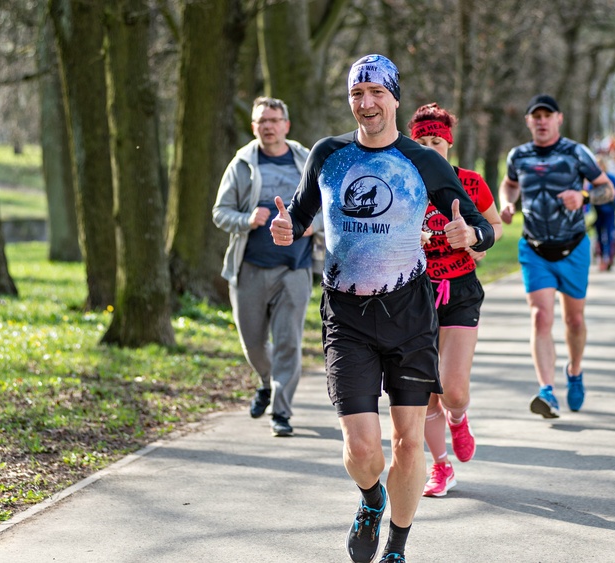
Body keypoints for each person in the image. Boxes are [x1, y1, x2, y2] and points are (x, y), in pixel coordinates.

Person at [269, 55, 495, 563]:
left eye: (375, 92)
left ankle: (397, 542)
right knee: (363, 449)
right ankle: (371, 498)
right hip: (346, 316)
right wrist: (288, 230)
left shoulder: (423, 160)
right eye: (357, 94)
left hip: (409, 315)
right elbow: (303, 216)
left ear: (394, 97)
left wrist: (469, 233)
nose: (366, 103)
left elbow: (484, 226)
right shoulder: (328, 154)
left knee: (409, 444)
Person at [498, 94, 615, 420]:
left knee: (574, 320)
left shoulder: (576, 153)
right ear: (528, 121)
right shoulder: (518, 156)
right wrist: (507, 203)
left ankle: (574, 371)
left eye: (547, 115)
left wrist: (584, 195)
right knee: (540, 317)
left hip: (573, 247)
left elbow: (608, 190)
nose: (541, 120)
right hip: (534, 248)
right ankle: (547, 391)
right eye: (535, 115)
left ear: (558, 119)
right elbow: (508, 185)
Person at [406, 103, 503, 498]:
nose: (430, 148)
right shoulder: (402, 185)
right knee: (424, 389)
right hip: (413, 292)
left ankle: (459, 418)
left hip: (460, 289)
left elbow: (493, 225)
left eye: (436, 142)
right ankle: (440, 466)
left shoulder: (470, 183)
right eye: (422, 141)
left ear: (448, 144)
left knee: (453, 389)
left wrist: (476, 242)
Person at [212, 97, 322, 438]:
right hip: (250, 268)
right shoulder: (242, 164)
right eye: (262, 121)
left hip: (295, 267)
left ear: (286, 125)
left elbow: (327, 209)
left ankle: (281, 411)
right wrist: (247, 219)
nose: (268, 126)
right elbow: (220, 212)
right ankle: (265, 381)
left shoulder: (307, 161)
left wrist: (307, 226)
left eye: (274, 120)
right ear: (254, 127)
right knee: (254, 344)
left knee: (289, 341)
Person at [593, 156, 615, 271]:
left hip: (610, 211)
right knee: (599, 236)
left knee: (610, 235)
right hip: (597, 212)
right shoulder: (593, 179)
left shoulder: (611, 178)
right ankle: (601, 258)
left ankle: (609, 258)